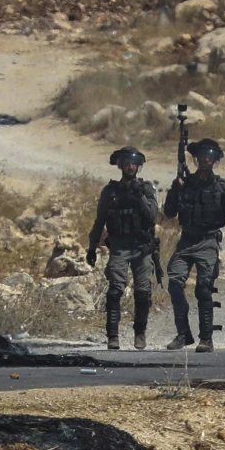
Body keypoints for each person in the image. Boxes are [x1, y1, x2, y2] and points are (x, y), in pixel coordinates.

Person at [162, 138, 225, 353]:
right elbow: (169, 212)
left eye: (211, 156)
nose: (206, 159)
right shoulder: (185, 184)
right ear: (197, 159)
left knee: (204, 288)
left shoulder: (221, 187)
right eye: (203, 156)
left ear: (216, 160)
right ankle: (183, 334)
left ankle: (206, 338)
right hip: (187, 240)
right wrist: (175, 189)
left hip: (208, 241)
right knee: (175, 283)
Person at [87, 147, 158, 351]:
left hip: (142, 248)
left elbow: (152, 216)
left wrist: (140, 196)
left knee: (143, 292)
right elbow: (100, 220)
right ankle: (113, 336)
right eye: (126, 163)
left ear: (138, 166)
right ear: (120, 166)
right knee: (115, 290)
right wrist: (92, 247)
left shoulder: (146, 188)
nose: (130, 167)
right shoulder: (111, 191)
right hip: (119, 246)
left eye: (133, 164)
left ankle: (140, 333)